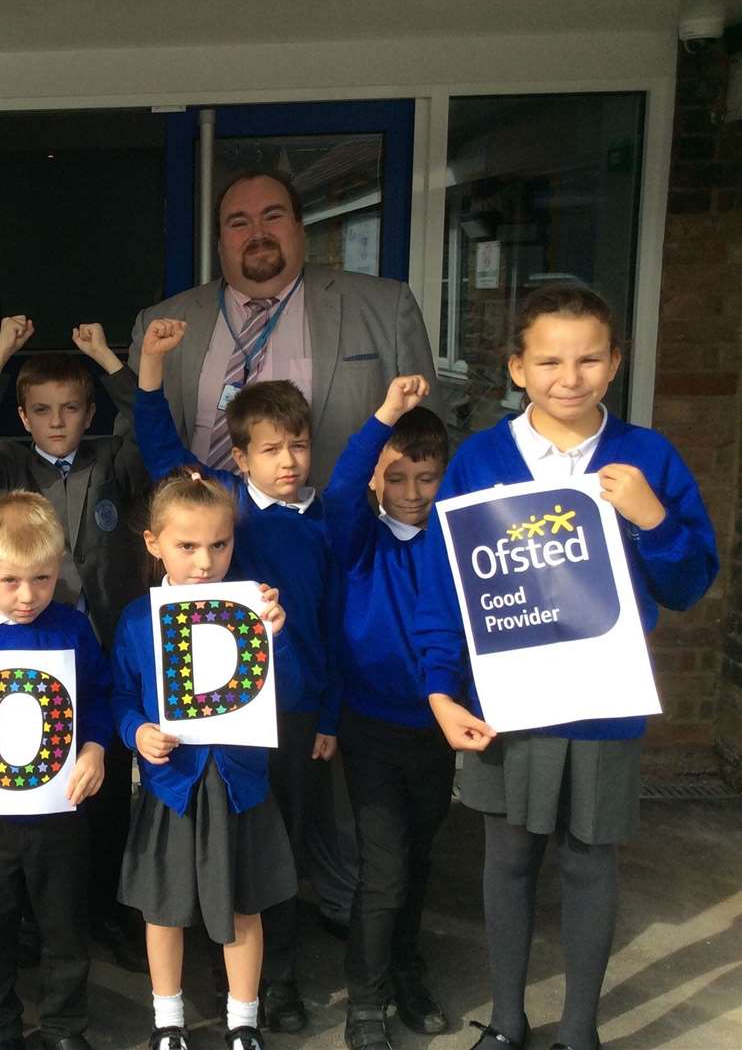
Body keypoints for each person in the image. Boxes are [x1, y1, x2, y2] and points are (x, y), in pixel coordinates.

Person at [414, 284, 718, 1050]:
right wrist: (439, 687)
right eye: (548, 359)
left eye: (588, 358)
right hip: (508, 700)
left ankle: (579, 1030)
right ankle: (509, 1022)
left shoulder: (648, 457)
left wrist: (654, 520)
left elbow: (689, 585)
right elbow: (444, 585)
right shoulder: (483, 459)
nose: (569, 376)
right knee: (508, 858)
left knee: (590, 863)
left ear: (615, 363)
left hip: (602, 702)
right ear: (517, 367)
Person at [135, 318, 347, 1033]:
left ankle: (269, 988)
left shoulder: (326, 516)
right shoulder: (226, 504)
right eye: (270, 447)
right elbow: (162, 452)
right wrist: (150, 368)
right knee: (191, 863)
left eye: (298, 444)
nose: (286, 459)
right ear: (240, 456)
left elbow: (334, 626)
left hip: (282, 710)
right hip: (197, 735)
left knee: (270, 854)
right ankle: (198, 996)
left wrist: (326, 713)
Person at [0, 315, 151, 971]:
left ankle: (106, 909)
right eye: (42, 410)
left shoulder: (112, 460)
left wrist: (109, 360)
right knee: (36, 796)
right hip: (30, 651)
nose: (57, 421)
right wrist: (2, 352)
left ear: (89, 411)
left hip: (101, 642)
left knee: (108, 786)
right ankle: (36, 919)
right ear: (25, 415)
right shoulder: (7, 465)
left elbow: (148, 433)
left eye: (70, 408)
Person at [110, 468, 293, 1050]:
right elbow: (119, 694)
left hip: (239, 783)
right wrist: (137, 731)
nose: (204, 560)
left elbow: (286, 688)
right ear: (153, 542)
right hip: (174, 785)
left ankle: (243, 1021)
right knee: (164, 910)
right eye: (187, 546)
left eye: (219, 544)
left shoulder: (254, 610)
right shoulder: (139, 619)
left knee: (243, 906)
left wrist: (278, 638)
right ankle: (169, 1020)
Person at [0, 492, 112, 1050]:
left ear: (58, 566)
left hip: (60, 809)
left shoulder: (72, 628)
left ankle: (63, 1026)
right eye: (10, 581)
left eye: (42, 577)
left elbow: (100, 696)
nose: (28, 595)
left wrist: (95, 748)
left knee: (64, 927)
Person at [127, 169, 436, 488]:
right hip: (201, 530)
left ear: (301, 229)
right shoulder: (159, 325)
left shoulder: (386, 307)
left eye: (272, 216)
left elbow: (429, 438)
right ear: (219, 244)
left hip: (331, 529)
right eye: (238, 222)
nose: (257, 233)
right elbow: (137, 445)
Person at [322, 376, 452, 1050]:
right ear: (378, 476)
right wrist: (382, 418)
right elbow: (342, 490)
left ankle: (407, 969)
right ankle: (365, 1001)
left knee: (422, 857)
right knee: (386, 867)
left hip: (437, 728)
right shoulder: (357, 537)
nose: (409, 492)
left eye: (425, 478)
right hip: (368, 725)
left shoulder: (457, 542)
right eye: (396, 476)